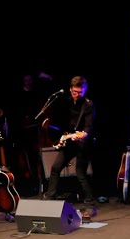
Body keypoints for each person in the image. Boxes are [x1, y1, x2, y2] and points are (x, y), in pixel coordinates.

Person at [42, 76, 97, 219]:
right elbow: (65, 124)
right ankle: (50, 199)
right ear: (70, 90)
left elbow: (87, 130)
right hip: (70, 142)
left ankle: (90, 204)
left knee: (81, 173)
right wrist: (63, 135)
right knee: (55, 168)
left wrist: (79, 135)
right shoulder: (67, 102)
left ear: (84, 90)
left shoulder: (88, 105)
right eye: (75, 92)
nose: (77, 94)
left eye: (80, 92)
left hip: (83, 144)